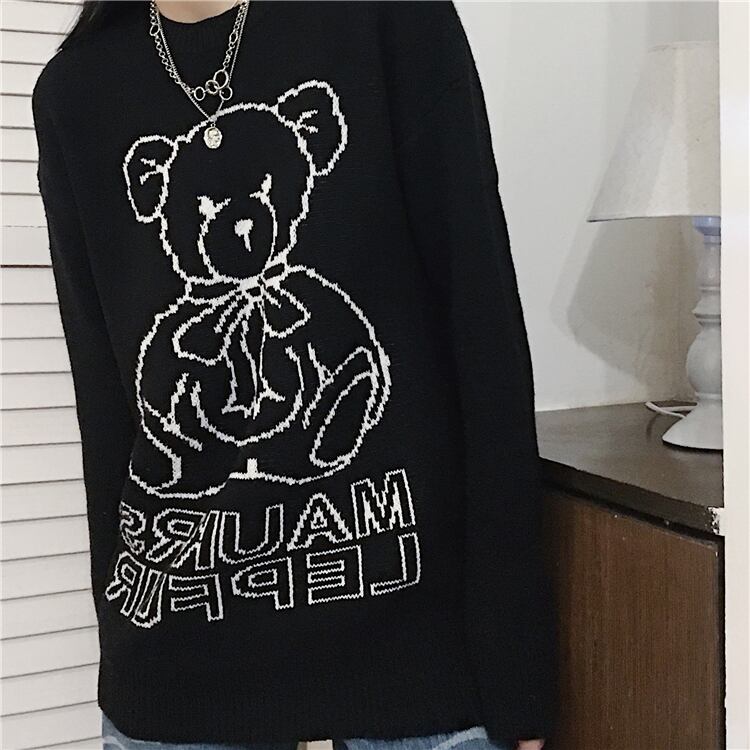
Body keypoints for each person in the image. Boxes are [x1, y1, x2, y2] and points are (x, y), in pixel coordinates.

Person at [32, 2, 557, 749]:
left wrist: (518, 666)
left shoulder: (385, 20)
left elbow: (483, 334)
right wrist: (126, 654)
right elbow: (107, 404)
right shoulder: (75, 94)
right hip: (177, 679)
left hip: (414, 670)